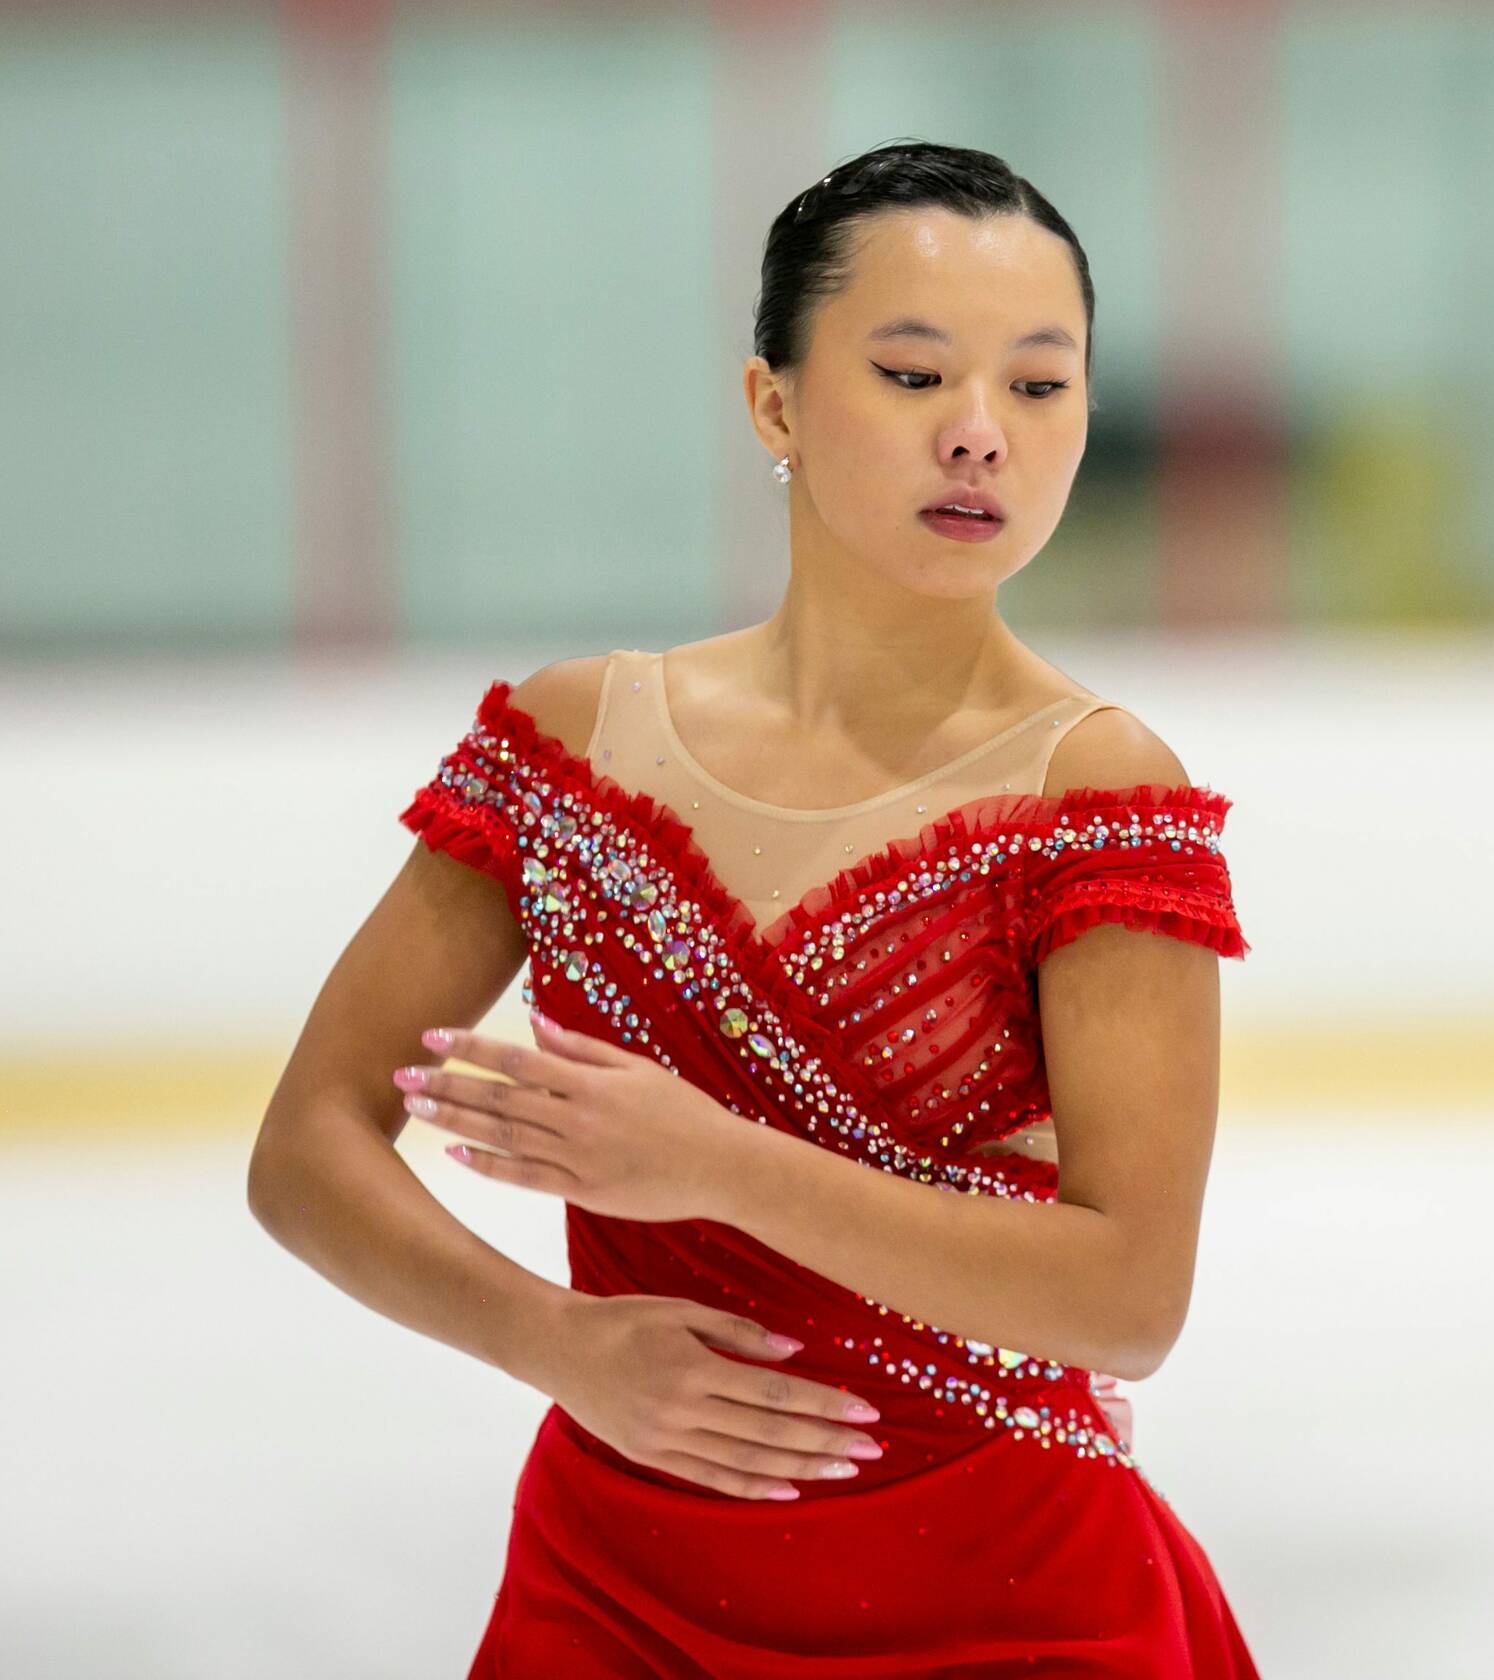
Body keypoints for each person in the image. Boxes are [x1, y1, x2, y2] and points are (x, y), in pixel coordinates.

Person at [249, 139, 1259, 1677]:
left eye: (1041, 388)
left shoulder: (1095, 790)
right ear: (774, 402)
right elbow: (308, 1142)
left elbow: (1129, 1300)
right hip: (618, 1588)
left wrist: (716, 1165)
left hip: (1008, 1598)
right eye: (915, 376)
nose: (981, 435)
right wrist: (553, 1341)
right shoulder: (575, 742)